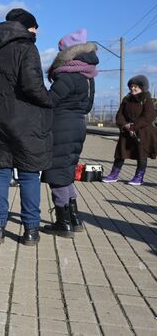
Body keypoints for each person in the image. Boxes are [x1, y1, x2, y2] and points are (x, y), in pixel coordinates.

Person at [0, 9, 53, 245]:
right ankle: (31, 230)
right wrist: (49, 100)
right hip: (26, 123)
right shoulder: (27, 48)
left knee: (0, 174)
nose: (37, 32)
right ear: (26, 27)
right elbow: (32, 85)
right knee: (30, 175)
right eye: (35, 27)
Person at [41, 28, 99, 237]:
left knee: (57, 174)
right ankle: (74, 218)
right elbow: (87, 106)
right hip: (77, 126)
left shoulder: (68, 75)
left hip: (61, 127)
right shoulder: (87, 76)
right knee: (67, 173)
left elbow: (50, 101)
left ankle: (63, 222)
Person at [102, 75, 157, 185]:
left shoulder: (147, 99)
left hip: (143, 132)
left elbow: (148, 116)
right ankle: (114, 174)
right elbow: (119, 115)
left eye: (136, 86)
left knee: (142, 154)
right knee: (120, 153)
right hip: (127, 131)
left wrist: (133, 127)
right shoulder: (126, 99)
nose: (133, 88)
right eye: (131, 86)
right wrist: (125, 125)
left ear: (142, 87)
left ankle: (139, 177)